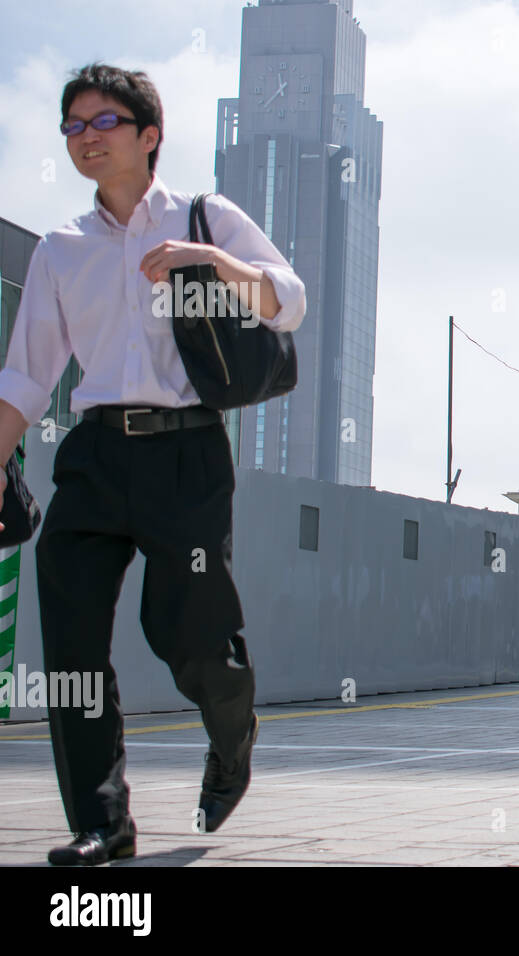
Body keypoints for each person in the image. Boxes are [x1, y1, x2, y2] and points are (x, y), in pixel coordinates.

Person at [0, 64, 306, 866]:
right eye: (72, 127)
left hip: (186, 455)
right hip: (94, 456)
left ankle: (231, 733)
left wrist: (211, 262)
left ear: (148, 136)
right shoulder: (62, 250)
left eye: (103, 122)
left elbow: (290, 298)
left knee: (193, 638)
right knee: (70, 650)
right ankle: (101, 824)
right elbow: (28, 375)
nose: (86, 138)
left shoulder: (207, 216)